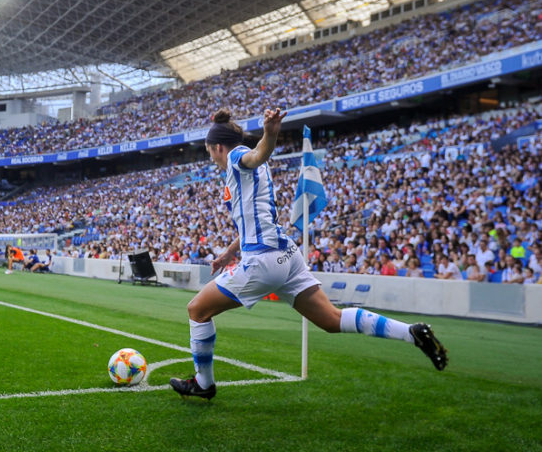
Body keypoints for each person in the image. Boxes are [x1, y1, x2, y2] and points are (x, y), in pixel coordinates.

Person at [169, 108, 448, 401]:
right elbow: (256, 213)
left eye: (209, 152)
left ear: (217, 147)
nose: (211, 158)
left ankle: (204, 384)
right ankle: (412, 332)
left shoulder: (238, 157)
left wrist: (270, 134)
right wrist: (229, 252)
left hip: (262, 261)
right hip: (286, 255)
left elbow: (257, 154)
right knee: (331, 319)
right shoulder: (247, 172)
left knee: (197, 310)